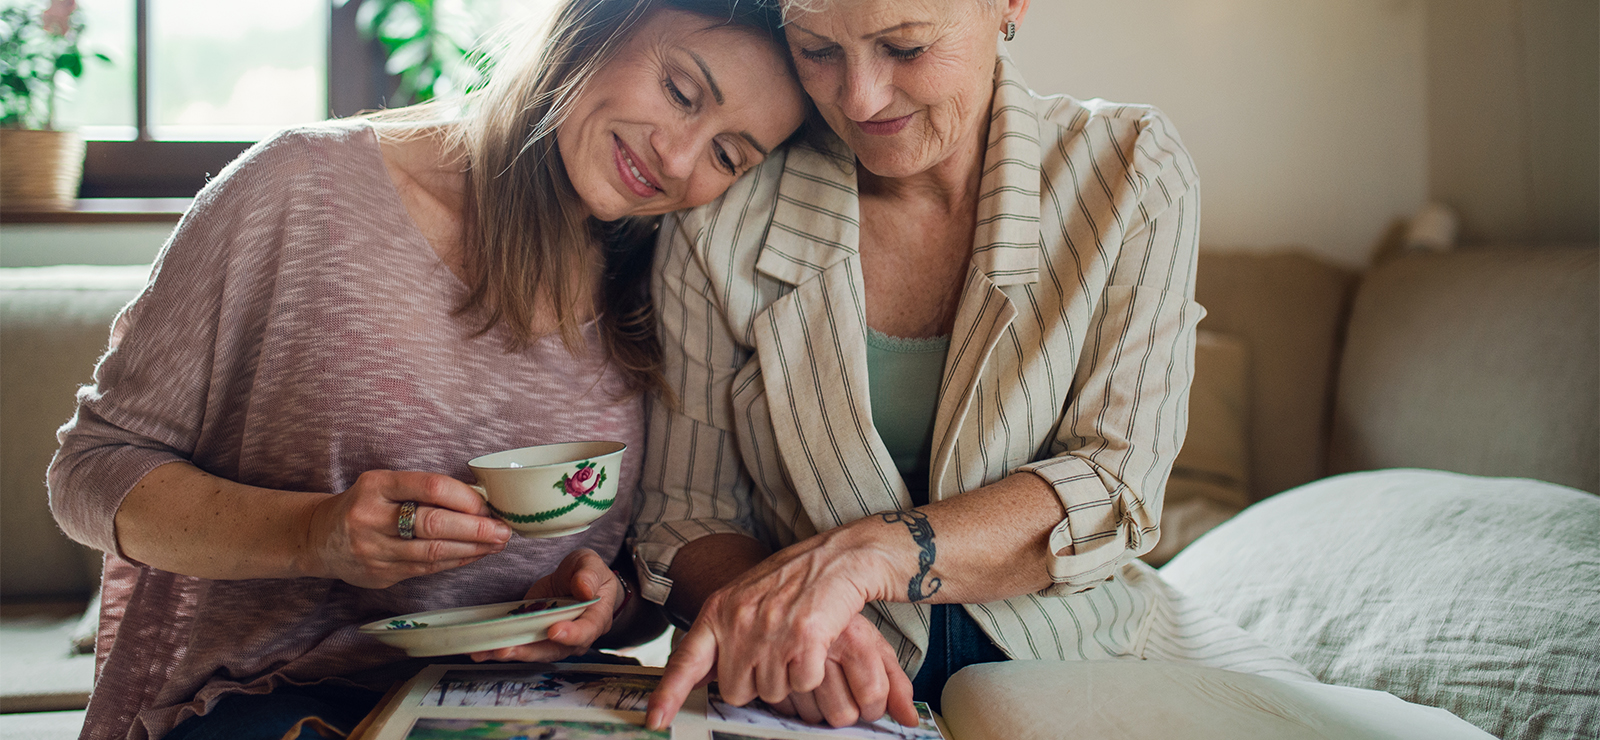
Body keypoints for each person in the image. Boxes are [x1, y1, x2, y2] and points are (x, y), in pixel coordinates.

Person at [46, 1, 805, 738]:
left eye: (727, 154)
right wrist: (315, 534)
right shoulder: (301, 187)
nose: (677, 157)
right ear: (594, 21)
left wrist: (599, 606)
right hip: (267, 698)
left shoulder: (660, 281)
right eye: (679, 91)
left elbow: (640, 574)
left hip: (522, 705)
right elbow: (88, 475)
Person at [634, 0, 1316, 731]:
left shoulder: (1131, 172)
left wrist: (874, 555)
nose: (860, 98)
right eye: (817, 52)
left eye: (905, 46)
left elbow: (1117, 482)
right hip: (815, 694)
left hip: (1088, 659)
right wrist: (785, 625)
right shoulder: (720, 211)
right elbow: (685, 514)